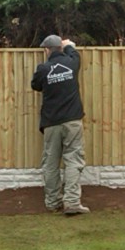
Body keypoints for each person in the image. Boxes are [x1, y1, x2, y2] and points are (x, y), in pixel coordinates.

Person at [31, 34, 89, 215]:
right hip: (72, 121)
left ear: (47, 50)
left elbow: (36, 86)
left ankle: (53, 203)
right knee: (73, 160)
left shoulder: (43, 69)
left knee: (50, 163)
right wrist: (68, 45)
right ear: (61, 48)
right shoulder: (72, 63)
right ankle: (71, 202)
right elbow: (74, 52)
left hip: (51, 123)